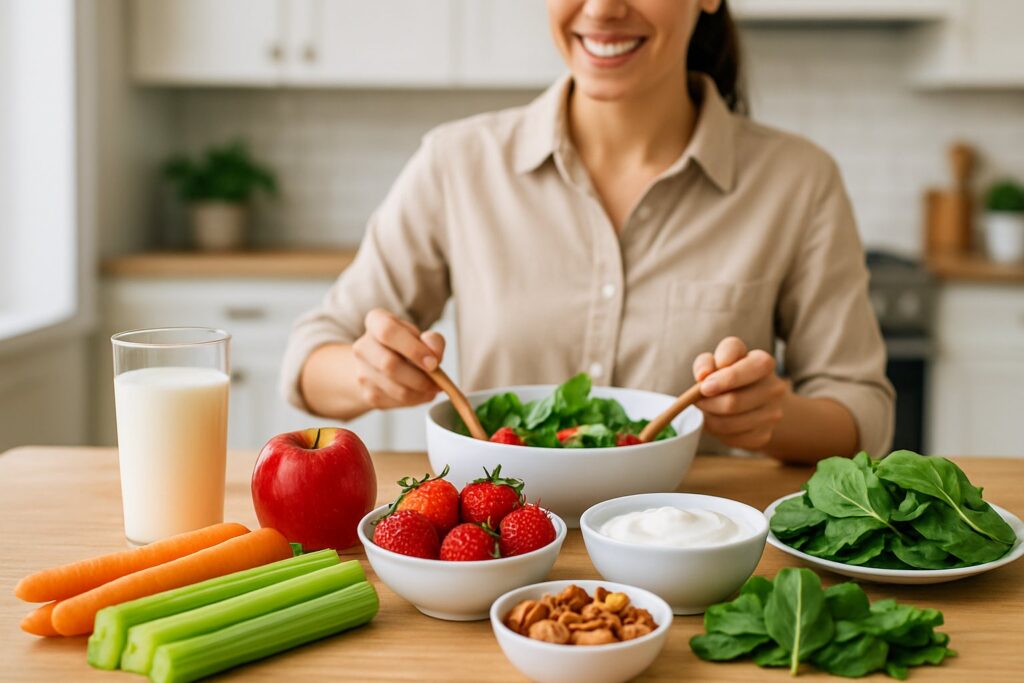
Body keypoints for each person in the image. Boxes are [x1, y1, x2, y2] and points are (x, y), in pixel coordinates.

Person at [281, 0, 894, 464]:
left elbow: (863, 407)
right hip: (499, 551)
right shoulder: (456, 163)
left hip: (690, 559)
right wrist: (368, 372)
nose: (602, 8)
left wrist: (773, 417)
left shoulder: (798, 181)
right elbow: (311, 356)